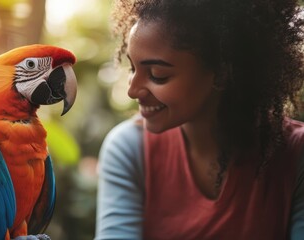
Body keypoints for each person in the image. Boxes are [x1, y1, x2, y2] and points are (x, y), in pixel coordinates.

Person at [95, 0, 304, 239]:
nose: (132, 91)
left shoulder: (296, 155)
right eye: (133, 68)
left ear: (223, 72)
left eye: (157, 75)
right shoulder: (129, 149)